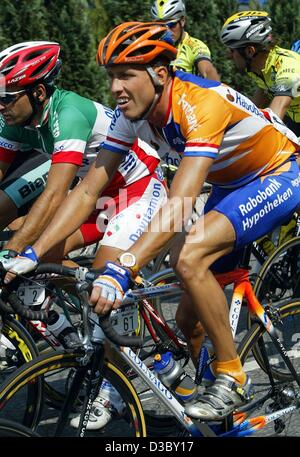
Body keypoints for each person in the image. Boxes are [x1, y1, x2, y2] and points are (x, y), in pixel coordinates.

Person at [2, 22, 300, 422]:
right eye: (111, 77)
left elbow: (180, 202)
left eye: (125, 75)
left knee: (189, 256)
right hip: (232, 182)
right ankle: (215, 408)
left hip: (278, 172)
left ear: (160, 74)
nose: (114, 88)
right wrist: (33, 252)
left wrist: (123, 268)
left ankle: (234, 376)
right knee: (185, 317)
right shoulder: (132, 115)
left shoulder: (198, 104)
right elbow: (89, 190)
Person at [0, 40, 168, 430]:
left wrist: (17, 246)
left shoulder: (69, 111)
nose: (1, 106)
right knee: (40, 268)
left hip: (135, 191)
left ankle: (111, 386)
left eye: (7, 98)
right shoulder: (13, 120)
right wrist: (24, 251)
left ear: (37, 92)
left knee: (98, 278)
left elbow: (57, 193)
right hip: (95, 197)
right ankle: (79, 343)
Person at [220, 10, 300, 137]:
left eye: (231, 50)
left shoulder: (287, 68)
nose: (229, 56)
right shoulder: (259, 67)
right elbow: (254, 107)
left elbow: (275, 117)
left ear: (250, 51)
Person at [151, 0, 220, 80]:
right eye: (161, 26)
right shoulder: (152, 45)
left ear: (182, 21)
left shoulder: (195, 46)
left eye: (172, 25)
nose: (167, 31)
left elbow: (209, 73)